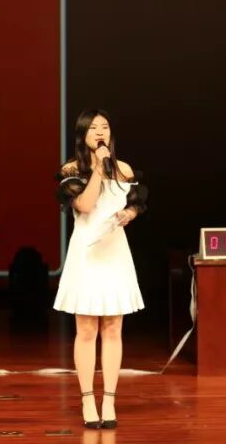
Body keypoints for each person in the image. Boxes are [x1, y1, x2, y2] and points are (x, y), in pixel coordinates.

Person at [53, 109, 148, 430]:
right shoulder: (71, 169)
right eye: (93, 127)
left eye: (104, 127)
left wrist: (130, 213)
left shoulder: (124, 169)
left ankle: (109, 399)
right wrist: (97, 168)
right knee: (86, 330)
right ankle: (87, 399)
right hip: (86, 253)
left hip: (114, 249)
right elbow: (85, 205)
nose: (100, 132)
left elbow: (136, 201)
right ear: (83, 135)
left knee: (113, 328)